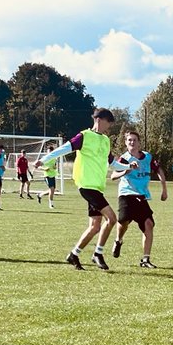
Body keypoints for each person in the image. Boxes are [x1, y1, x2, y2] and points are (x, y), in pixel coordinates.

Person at [36, 108, 118, 270]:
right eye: (108, 123)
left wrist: (129, 166)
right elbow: (64, 148)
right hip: (87, 186)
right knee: (112, 219)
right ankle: (98, 254)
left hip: (97, 187)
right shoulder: (84, 136)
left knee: (95, 226)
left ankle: (74, 254)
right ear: (99, 120)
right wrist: (44, 159)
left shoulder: (106, 140)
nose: (109, 127)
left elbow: (112, 162)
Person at [110, 130, 168, 268]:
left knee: (149, 224)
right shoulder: (124, 159)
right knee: (123, 221)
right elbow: (113, 176)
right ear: (126, 142)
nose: (132, 142)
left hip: (141, 196)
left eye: (134, 140)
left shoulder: (147, 157)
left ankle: (145, 259)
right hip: (126, 194)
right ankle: (118, 240)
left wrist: (164, 189)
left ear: (139, 142)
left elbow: (159, 170)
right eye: (129, 140)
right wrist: (126, 170)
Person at [38, 144, 58, 209]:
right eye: (48, 152)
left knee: (52, 190)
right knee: (52, 190)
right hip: (47, 175)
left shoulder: (54, 158)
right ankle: (51, 205)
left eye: (51, 152)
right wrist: (44, 169)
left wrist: (55, 167)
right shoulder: (44, 158)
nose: (49, 153)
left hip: (53, 175)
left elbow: (54, 166)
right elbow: (37, 166)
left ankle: (40, 195)